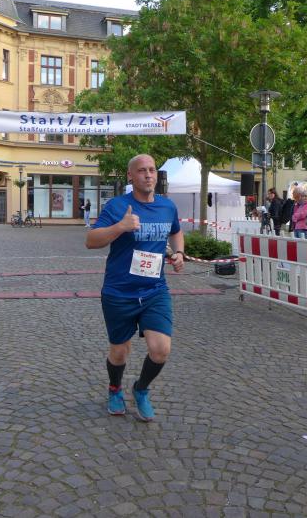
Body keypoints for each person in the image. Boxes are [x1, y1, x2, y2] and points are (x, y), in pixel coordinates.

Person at [85, 154, 184, 422]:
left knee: (161, 349)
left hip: (155, 290)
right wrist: (120, 227)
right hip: (119, 292)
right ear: (131, 175)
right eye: (141, 170)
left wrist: (179, 252)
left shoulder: (167, 206)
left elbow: (176, 231)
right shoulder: (118, 206)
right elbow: (91, 240)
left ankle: (141, 389)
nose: (148, 175)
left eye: (152, 170)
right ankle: (115, 388)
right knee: (119, 352)